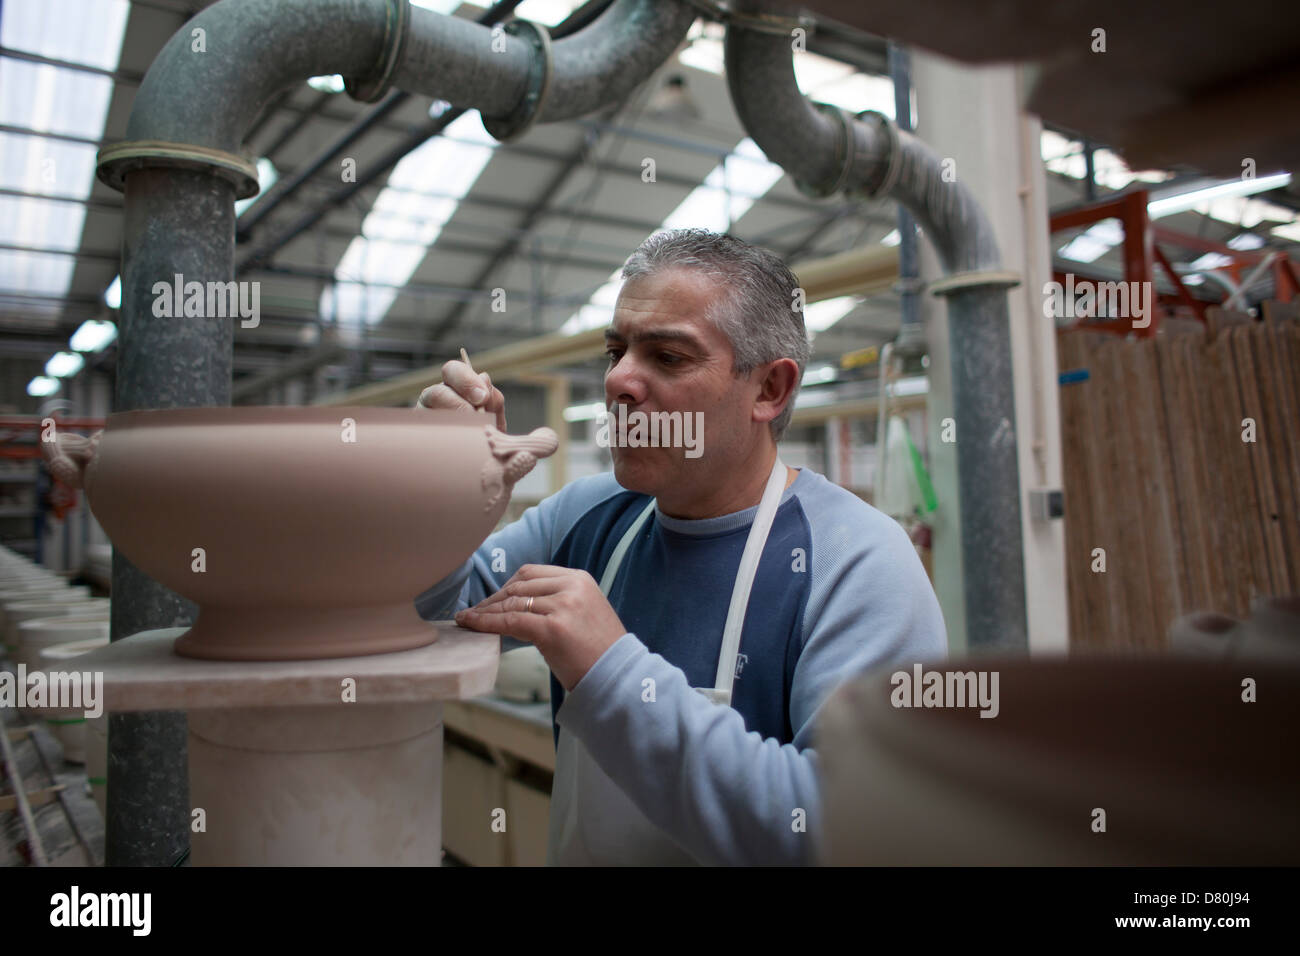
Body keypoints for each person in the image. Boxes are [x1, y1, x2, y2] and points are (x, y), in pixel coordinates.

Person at [415, 228, 946, 865]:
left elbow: (852, 836)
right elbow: (424, 622)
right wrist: (442, 504)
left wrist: (610, 671)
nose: (618, 382)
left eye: (667, 357)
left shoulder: (856, 563)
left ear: (769, 390)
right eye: (616, 351)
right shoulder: (587, 518)